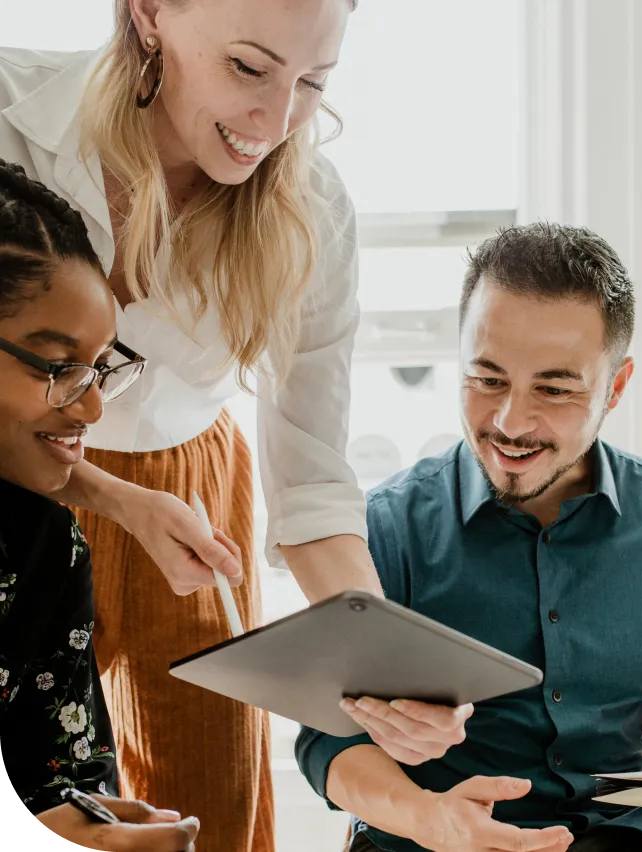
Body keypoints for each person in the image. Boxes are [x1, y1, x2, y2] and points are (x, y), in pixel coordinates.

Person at [0, 1, 467, 848]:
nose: (278, 120)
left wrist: (388, 673)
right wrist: (117, 500)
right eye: (250, 69)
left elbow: (315, 488)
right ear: (148, 14)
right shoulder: (11, 119)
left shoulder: (311, 211)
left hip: (191, 487)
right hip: (11, 482)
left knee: (208, 818)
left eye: (313, 84)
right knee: (53, 800)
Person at [296, 223, 642, 852]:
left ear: (615, 388)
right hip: (435, 837)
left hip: (628, 836)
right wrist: (430, 819)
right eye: (486, 380)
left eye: (554, 389)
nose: (510, 422)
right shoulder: (382, 527)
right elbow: (329, 739)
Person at [0, 158, 200, 850]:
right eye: (58, 367)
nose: (90, 406)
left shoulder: (46, 550)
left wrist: (89, 828)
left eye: (100, 368)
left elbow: (60, 780)